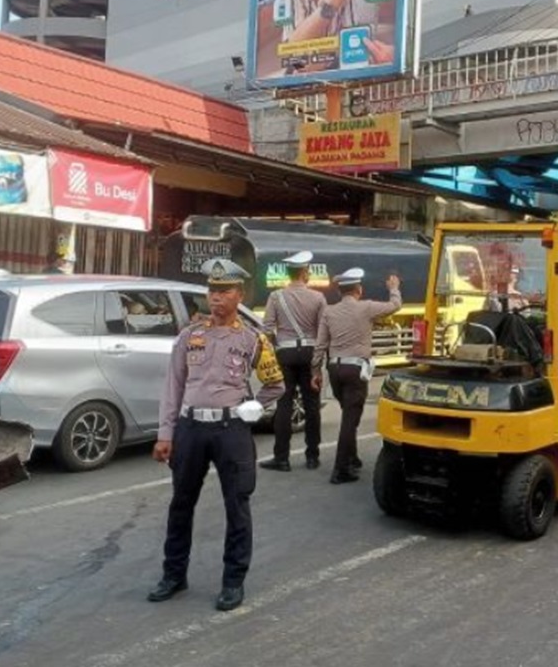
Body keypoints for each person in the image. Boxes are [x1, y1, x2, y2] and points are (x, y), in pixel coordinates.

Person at [148, 258, 285, 611]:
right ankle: (173, 575)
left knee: (237, 505)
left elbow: (276, 383)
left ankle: (233, 581)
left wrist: (251, 407)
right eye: (212, 290)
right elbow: (173, 386)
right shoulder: (190, 336)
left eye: (224, 291)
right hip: (191, 428)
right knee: (181, 504)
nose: (216, 298)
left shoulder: (253, 340)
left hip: (230, 430)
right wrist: (166, 434)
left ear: (239, 295)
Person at [312, 268, 401, 485]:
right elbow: (395, 306)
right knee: (350, 421)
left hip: (335, 369)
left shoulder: (329, 312)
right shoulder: (367, 307)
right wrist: (394, 288)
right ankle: (341, 469)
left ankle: (352, 458)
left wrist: (315, 371)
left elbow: (321, 344)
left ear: (340, 291)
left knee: (348, 414)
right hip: (355, 371)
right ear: (358, 289)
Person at [259, 250, 327, 472]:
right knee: (312, 405)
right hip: (309, 353)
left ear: (288, 274)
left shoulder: (276, 297)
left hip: (285, 354)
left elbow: (267, 330)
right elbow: (323, 332)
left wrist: (271, 353)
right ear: (305, 273)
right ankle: (312, 457)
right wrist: (318, 364)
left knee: (284, 405)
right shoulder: (318, 298)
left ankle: (282, 458)